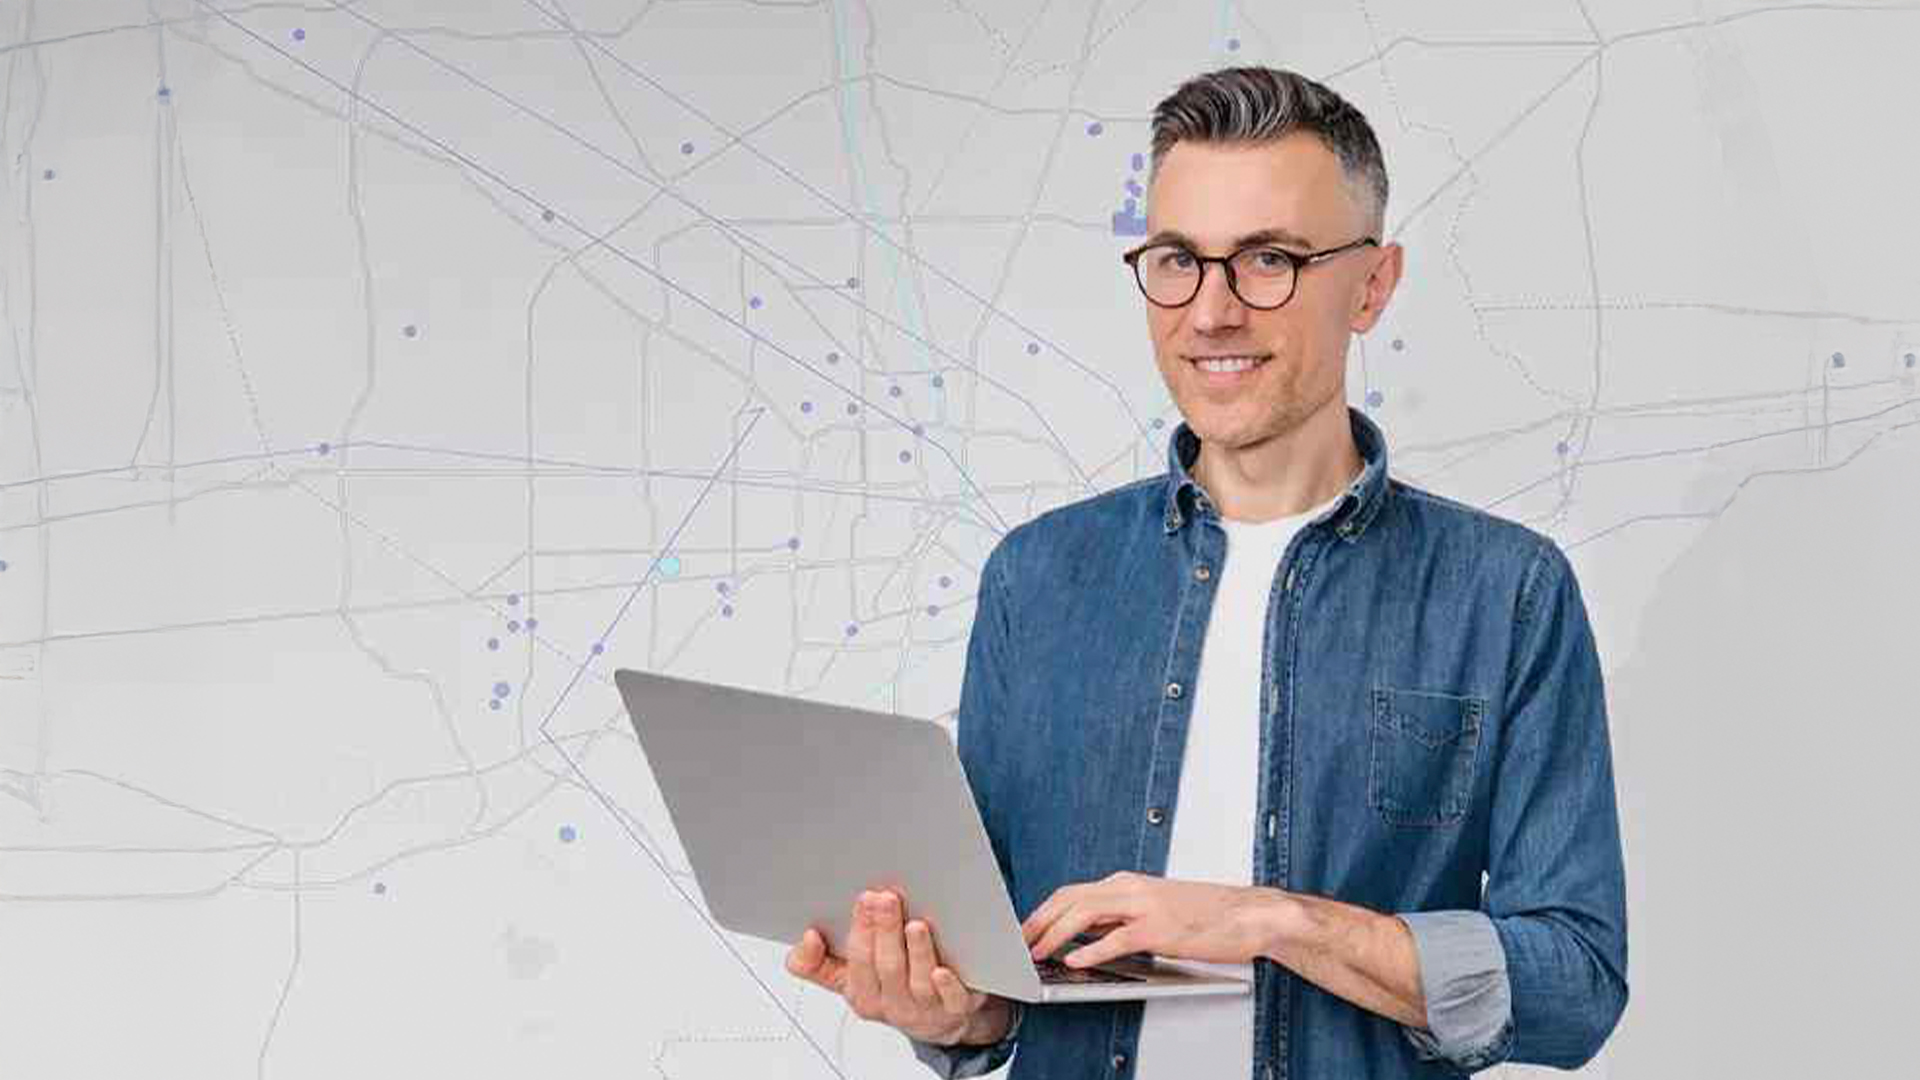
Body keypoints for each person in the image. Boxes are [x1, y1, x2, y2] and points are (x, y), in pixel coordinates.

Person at [785, 65, 1628, 1079]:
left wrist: (1272, 921)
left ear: (1372, 285)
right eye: (1179, 260)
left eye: (1269, 259)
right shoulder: (1037, 577)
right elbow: (1000, 978)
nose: (1211, 312)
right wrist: (950, 1010)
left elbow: (1575, 985)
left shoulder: (1506, 593)